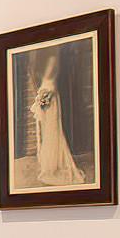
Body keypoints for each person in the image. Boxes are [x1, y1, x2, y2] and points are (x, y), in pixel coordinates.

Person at [30, 50, 84, 187]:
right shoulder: (42, 66)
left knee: (53, 130)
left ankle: (53, 164)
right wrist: (41, 99)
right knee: (47, 131)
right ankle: (49, 164)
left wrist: (45, 97)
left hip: (51, 99)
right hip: (46, 98)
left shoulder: (53, 60)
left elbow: (51, 83)